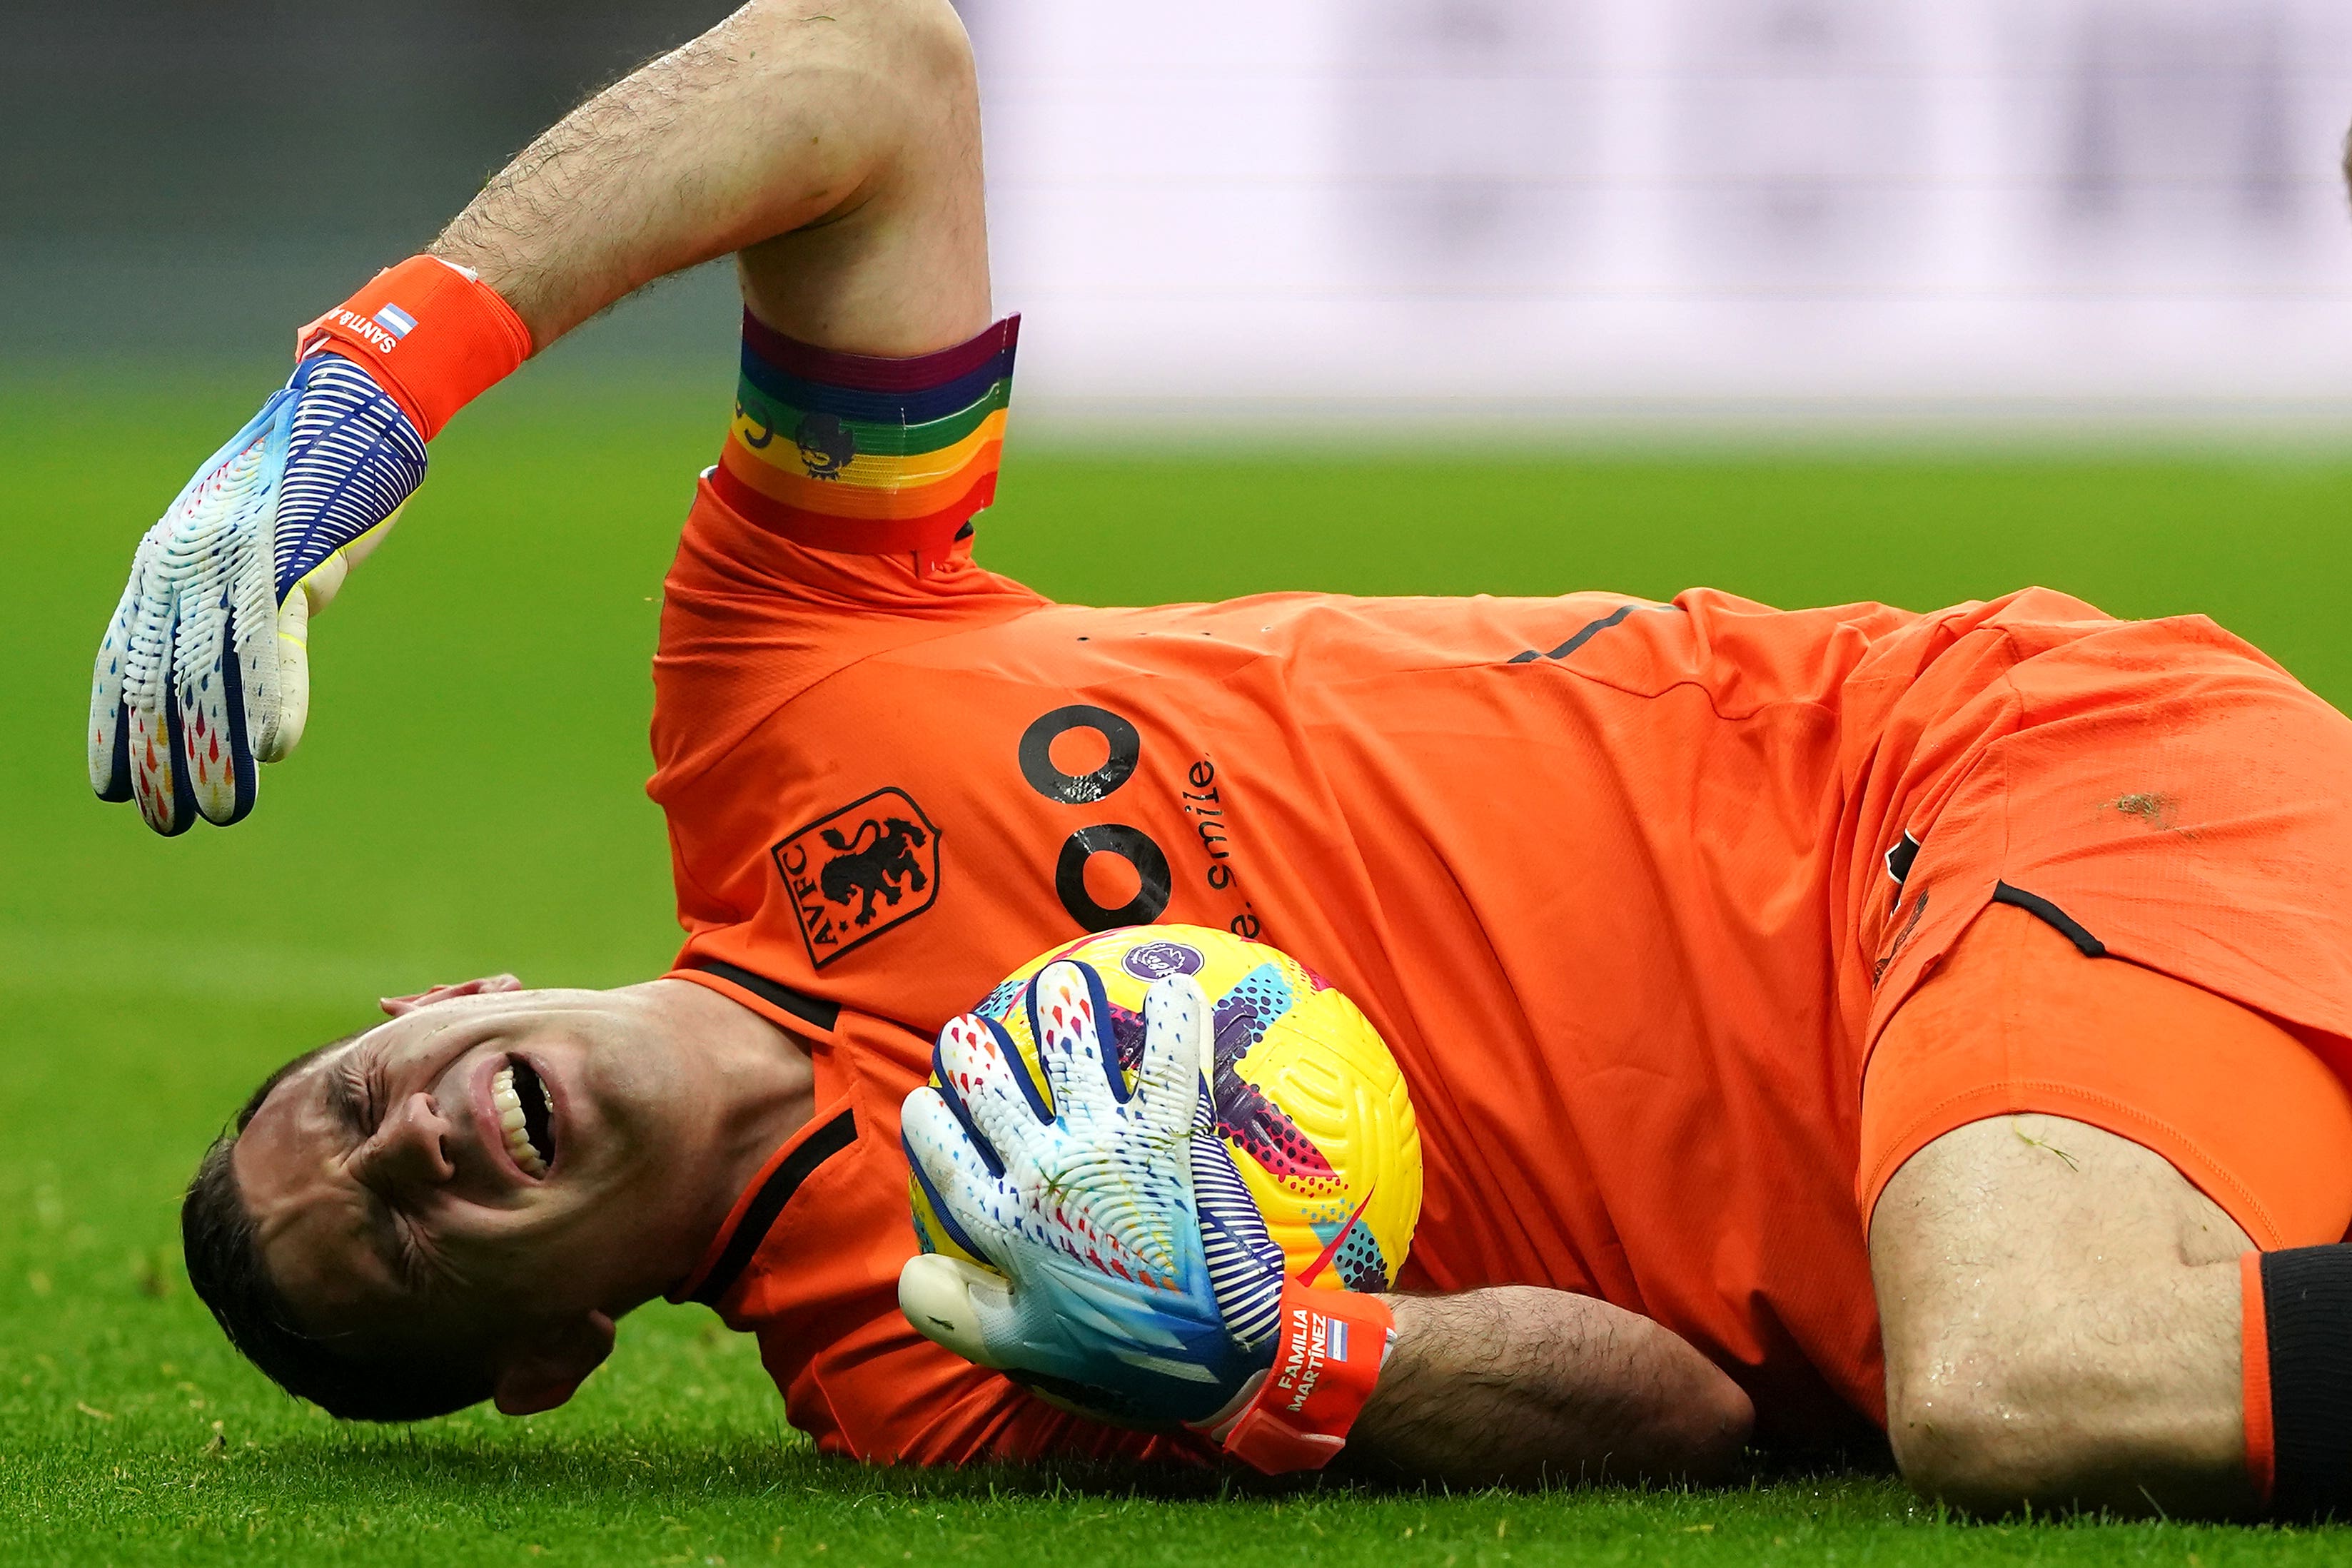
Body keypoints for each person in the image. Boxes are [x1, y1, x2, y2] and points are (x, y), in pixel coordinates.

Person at [99, 0, 2352, 1518]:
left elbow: (876, 68)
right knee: (2002, 1360)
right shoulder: (944, 1364)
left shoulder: (778, 686)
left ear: (440, 1000)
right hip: (1981, 1152)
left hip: (1960, 796)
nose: (410, 1148)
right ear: (549, 1357)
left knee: (2027, 1377)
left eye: (346, 1104)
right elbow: (1681, 1415)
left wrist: (374, 383)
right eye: (400, 1240)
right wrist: (1277, 1363)